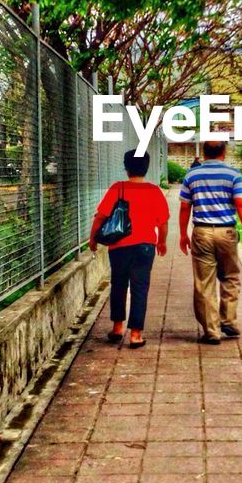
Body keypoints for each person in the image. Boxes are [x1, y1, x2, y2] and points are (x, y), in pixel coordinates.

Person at [89, 148, 169, 348]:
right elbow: (163, 223)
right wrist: (162, 242)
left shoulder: (118, 188)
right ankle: (135, 335)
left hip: (119, 246)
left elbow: (100, 216)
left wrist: (92, 238)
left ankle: (117, 328)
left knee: (118, 284)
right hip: (145, 246)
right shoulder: (154, 191)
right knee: (140, 288)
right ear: (147, 167)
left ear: (126, 168)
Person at [178, 140, 242, 345]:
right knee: (230, 276)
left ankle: (212, 331)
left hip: (202, 232)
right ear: (224, 152)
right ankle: (228, 320)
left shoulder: (192, 175)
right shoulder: (234, 175)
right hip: (227, 232)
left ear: (203, 153)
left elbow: (185, 207)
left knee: (204, 283)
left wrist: (182, 234)